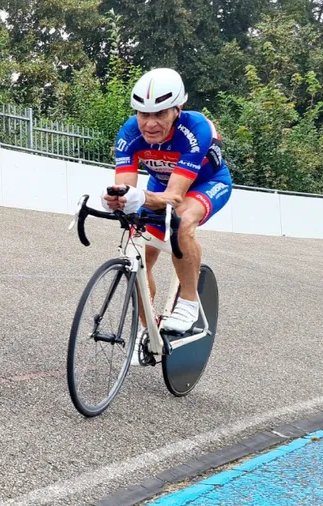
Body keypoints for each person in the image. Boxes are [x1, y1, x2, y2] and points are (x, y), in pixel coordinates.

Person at [102, 67, 232, 359]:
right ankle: (149, 330)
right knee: (136, 249)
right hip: (159, 186)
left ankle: (188, 301)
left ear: (177, 109)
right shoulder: (129, 132)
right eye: (143, 114)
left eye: (159, 114)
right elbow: (124, 187)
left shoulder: (195, 128)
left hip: (205, 185)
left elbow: (175, 197)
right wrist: (116, 198)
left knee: (182, 222)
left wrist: (139, 197)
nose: (149, 124)